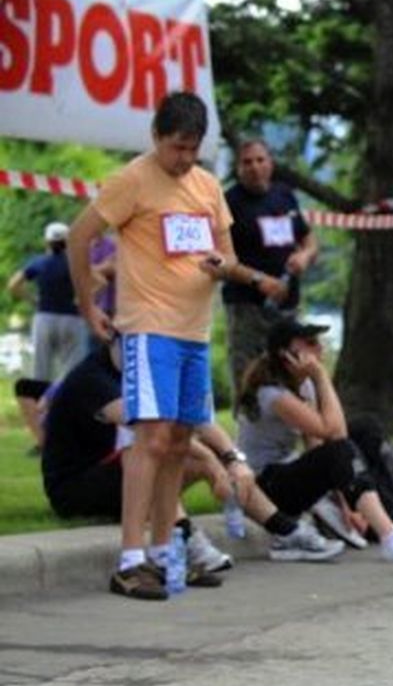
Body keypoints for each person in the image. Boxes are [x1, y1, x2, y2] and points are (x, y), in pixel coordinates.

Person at [65, 91, 241, 600]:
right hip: (148, 326)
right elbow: (80, 237)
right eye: (177, 147)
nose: (185, 159)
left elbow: (228, 254)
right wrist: (87, 303)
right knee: (152, 438)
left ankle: (166, 553)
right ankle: (131, 558)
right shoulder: (133, 180)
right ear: (156, 138)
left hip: (194, 331)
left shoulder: (207, 186)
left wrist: (221, 266)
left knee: (182, 441)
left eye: (193, 149)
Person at [40, 341, 344, 591]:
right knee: (161, 449)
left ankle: (284, 530)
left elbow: (196, 419)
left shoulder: (142, 371)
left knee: (188, 446)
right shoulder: (92, 379)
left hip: (120, 474)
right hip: (76, 487)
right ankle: (186, 540)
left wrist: (233, 458)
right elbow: (151, 428)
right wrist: (212, 462)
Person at [236, 318, 393, 565]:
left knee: (364, 427)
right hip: (265, 488)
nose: (319, 349)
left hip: (286, 473)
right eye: (310, 343)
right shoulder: (272, 394)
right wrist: (321, 377)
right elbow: (335, 432)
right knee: (342, 446)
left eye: (318, 342)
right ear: (286, 355)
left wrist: (346, 505)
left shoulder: (301, 385)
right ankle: (391, 537)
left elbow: (317, 445)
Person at [222, 138, 320, 397]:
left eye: (260, 160)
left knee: (289, 375)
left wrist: (305, 256)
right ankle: (248, 432)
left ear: (270, 163)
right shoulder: (229, 202)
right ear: (238, 167)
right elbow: (220, 260)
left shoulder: (284, 195)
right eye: (247, 162)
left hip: (287, 307)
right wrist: (258, 280)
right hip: (247, 307)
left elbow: (308, 239)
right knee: (249, 380)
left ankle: (288, 430)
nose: (254, 167)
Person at [7, 221, 88, 383]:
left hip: (44, 316)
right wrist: (82, 300)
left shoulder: (38, 262)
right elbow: (99, 281)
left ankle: (39, 404)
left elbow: (13, 285)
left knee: (41, 369)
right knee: (73, 369)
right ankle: (67, 403)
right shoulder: (76, 263)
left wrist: (32, 300)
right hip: (72, 317)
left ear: (47, 242)